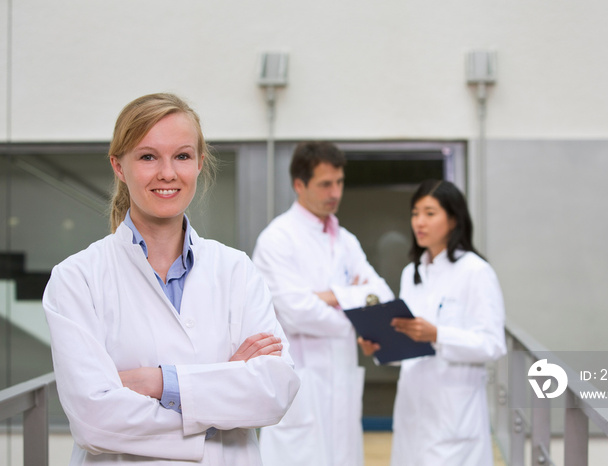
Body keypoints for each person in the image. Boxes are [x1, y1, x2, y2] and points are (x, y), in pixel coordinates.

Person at [42, 93, 300, 465]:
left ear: (199, 164)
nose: (168, 173)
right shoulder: (77, 278)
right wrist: (221, 396)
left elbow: (275, 391)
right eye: (148, 157)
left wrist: (157, 382)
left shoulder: (236, 270)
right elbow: (93, 421)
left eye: (182, 156)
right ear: (118, 166)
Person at [252, 141, 394, 466]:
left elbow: (382, 296)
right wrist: (353, 302)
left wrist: (328, 296)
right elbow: (296, 311)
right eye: (325, 184)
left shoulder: (346, 240)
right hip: (302, 387)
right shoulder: (277, 239)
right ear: (299, 185)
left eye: (340, 182)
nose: (335, 192)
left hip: (340, 386)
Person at [359, 179, 506, 466]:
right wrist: (381, 347)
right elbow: (411, 346)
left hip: (454, 418)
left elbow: (492, 344)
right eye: (415, 213)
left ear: (453, 219)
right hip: (412, 413)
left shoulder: (476, 272)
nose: (419, 222)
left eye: (429, 213)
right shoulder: (411, 273)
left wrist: (437, 334)